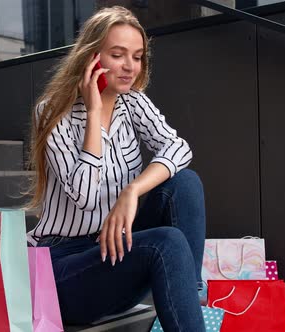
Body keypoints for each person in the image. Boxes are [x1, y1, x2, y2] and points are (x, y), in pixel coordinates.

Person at [26, 6, 206, 331]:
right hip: (65, 269)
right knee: (167, 242)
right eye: (118, 54)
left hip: (115, 252)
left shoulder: (132, 102)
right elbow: (85, 196)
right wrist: (94, 112)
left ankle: (191, 295)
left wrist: (132, 191)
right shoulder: (52, 113)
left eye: (137, 57)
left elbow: (179, 148)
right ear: (92, 58)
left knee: (185, 182)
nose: (130, 67)